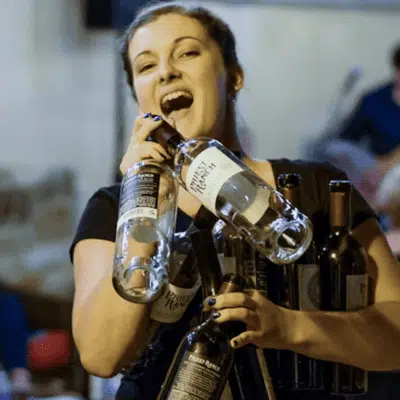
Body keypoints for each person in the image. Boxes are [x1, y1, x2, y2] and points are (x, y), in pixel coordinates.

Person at [69, 2, 400, 399]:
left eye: (187, 52)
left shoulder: (317, 190)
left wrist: (289, 327)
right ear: (139, 97)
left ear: (234, 75)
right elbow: (101, 356)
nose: (167, 72)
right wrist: (145, 199)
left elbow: (394, 335)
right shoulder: (111, 209)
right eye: (146, 66)